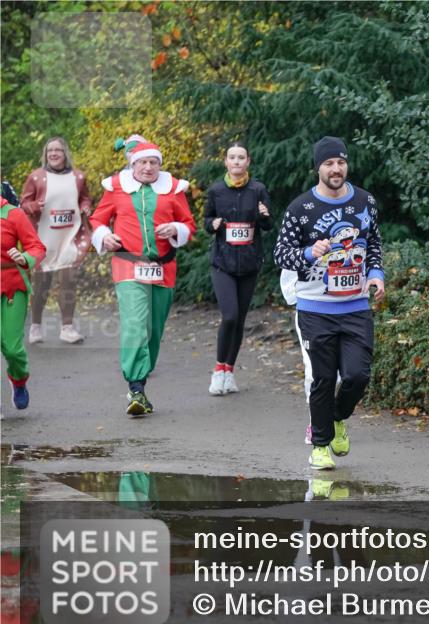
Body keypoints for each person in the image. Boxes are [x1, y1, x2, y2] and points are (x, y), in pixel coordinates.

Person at [273, 136, 385, 470]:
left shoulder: (365, 202)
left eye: (340, 162)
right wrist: (309, 252)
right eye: (328, 164)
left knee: (356, 376)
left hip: (354, 306)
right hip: (314, 307)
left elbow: (374, 242)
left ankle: (336, 418)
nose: (336, 169)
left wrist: (376, 273)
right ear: (318, 168)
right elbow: (281, 253)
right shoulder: (300, 209)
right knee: (322, 378)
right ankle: (320, 445)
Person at [88, 141, 196, 416]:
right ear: (132, 164)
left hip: (163, 267)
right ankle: (136, 387)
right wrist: (104, 236)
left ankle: (141, 381)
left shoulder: (173, 189)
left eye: (153, 163)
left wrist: (176, 228)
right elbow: (97, 220)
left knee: (153, 330)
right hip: (127, 265)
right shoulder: (116, 189)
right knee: (135, 323)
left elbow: (189, 224)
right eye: (142, 162)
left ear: (159, 165)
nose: (148, 168)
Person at [203, 142, 272, 395]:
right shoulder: (216, 190)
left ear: (248, 162)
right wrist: (214, 224)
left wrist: (264, 215)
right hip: (223, 263)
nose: (236, 162)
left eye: (241, 157)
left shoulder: (258, 189)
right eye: (232, 157)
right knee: (229, 315)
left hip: (250, 263)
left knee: (240, 320)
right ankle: (218, 370)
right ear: (226, 162)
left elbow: (268, 225)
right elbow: (206, 222)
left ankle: (229, 372)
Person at [19, 137, 93, 344]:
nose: (53, 153)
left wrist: (86, 206)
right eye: (50, 150)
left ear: (65, 153)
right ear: (45, 154)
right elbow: (24, 202)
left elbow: (85, 197)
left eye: (58, 150)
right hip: (43, 237)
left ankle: (67, 328)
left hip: (69, 236)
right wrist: (34, 207)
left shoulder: (78, 176)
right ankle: (35, 326)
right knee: (42, 283)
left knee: (68, 281)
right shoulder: (36, 177)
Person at [1, 196, 46, 409]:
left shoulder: (13, 214)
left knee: (12, 348)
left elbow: (37, 247)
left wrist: (24, 258)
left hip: (12, 286)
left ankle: (19, 380)